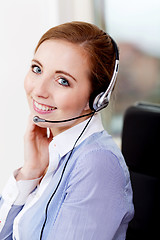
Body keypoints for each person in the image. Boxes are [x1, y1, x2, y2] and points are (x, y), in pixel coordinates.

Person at [0, 21, 134, 240]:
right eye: (37, 69)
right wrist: (30, 172)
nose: (39, 90)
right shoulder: (55, 153)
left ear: (97, 98)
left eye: (62, 81)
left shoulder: (96, 163)